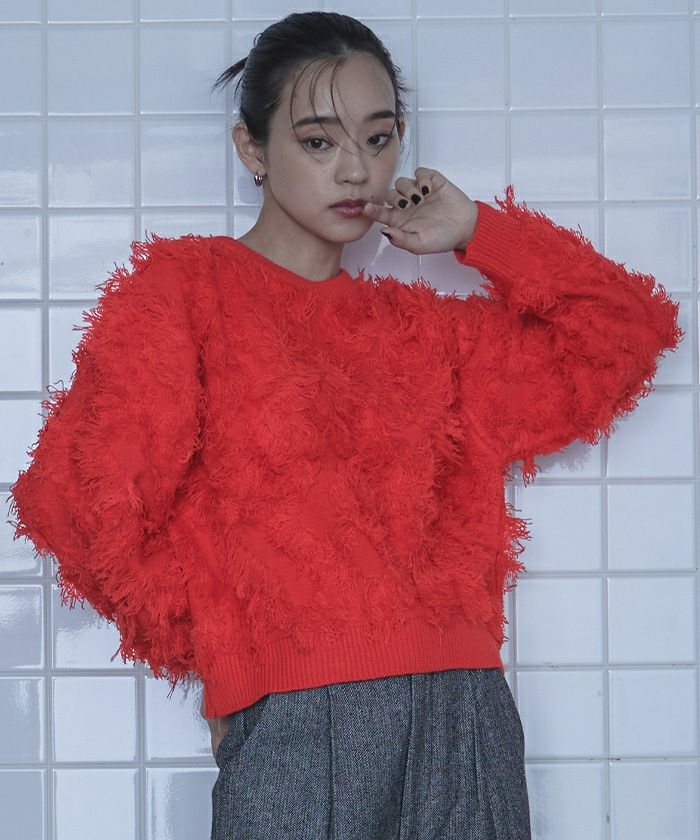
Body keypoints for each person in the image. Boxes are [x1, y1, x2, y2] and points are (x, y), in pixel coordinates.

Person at [7, 11, 683, 840]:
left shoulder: (427, 331)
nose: (357, 169)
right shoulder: (186, 294)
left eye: (380, 137)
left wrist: (479, 231)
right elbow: (75, 503)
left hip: (465, 716)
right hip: (296, 726)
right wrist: (229, 655)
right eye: (319, 141)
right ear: (252, 149)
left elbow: (624, 333)